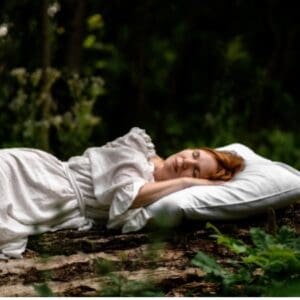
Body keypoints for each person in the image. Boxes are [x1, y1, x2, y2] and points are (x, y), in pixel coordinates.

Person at [0, 127, 244, 258]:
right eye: (194, 155)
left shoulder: (157, 190)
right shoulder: (136, 147)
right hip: (36, 174)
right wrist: (186, 182)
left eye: (195, 171)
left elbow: (132, 200)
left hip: (56, 203)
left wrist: (185, 184)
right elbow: (130, 195)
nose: (185, 163)